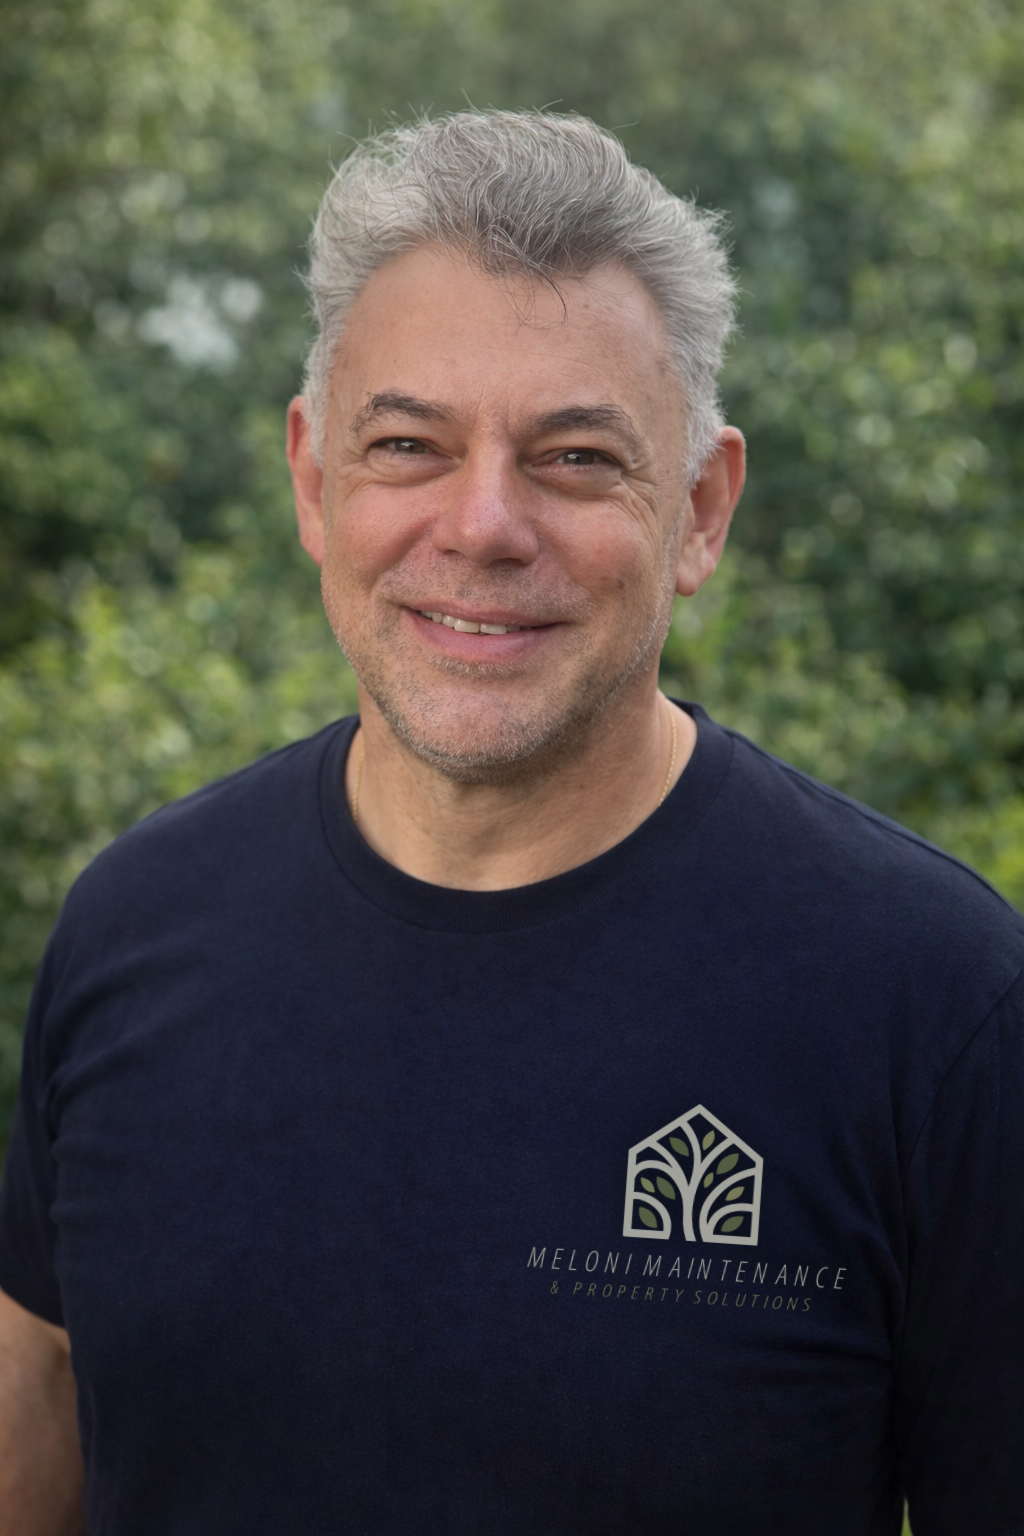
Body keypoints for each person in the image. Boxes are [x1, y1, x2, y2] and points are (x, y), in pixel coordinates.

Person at [0, 111, 1020, 1536]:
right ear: (312, 478)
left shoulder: (939, 999)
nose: (483, 525)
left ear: (701, 509)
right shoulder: (130, 929)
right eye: (408, 442)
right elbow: (37, 1422)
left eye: (578, 459)